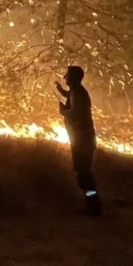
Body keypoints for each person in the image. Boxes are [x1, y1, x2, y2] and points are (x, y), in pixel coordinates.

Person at [56, 65, 100, 216]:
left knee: (83, 173)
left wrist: (63, 111)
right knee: (84, 172)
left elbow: (74, 112)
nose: (64, 77)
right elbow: (71, 96)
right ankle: (92, 203)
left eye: (66, 75)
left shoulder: (78, 94)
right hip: (84, 138)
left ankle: (93, 204)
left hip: (82, 139)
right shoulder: (78, 92)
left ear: (73, 78)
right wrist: (60, 90)